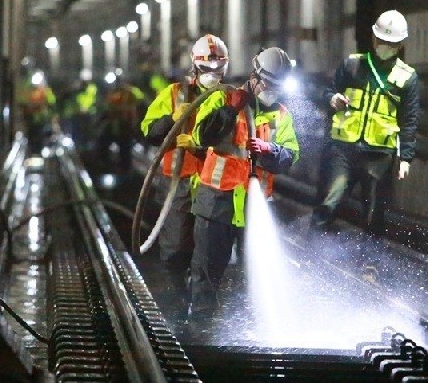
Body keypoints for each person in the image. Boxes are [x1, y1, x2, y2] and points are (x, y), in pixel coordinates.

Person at [188, 47, 299, 318]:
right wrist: (231, 108)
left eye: (277, 86)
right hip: (217, 201)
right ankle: (200, 328)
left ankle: (246, 331)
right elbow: (202, 136)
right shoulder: (221, 98)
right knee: (206, 272)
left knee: (256, 275)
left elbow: (291, 156)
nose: (272, 90)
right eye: (269, 84)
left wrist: (269, 150)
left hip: (253, 205)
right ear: (256, 76)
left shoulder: (281, 114)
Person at [140, 34, 230, 310]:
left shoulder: (229, 97)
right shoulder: (174, 93)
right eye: (207, 69)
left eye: (218, 69)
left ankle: (200, 306)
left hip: (212, 182)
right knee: (175, 247)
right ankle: (176, 297)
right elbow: (149, 131)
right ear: (195, 64)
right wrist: (172, 119)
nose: (212, 75)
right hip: (177, 181)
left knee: (207, 253)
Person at [310, 10, 420, 236]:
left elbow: (409, 119)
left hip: (379, 155)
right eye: (381, 40)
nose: (384, 45)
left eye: (391, 42)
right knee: (330, 201)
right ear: (373, 38)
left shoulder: (407, 78)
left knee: (374, 213)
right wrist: (333, 99)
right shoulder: (353, 65)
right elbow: (327, 92)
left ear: (400, 45)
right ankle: (314, 252)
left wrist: (406, 158)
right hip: (343, 150)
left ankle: (370, 267)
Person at [99, 79, 145, 170]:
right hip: (114, 125)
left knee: (125, 149)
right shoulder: (113, 94)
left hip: (124, 126)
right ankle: (106, 165)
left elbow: (138, 102)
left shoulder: (130, 93)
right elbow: (107, 107)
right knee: (104, 145)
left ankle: (124, 169)